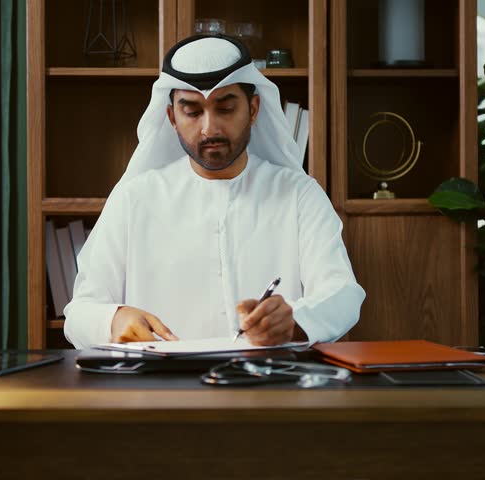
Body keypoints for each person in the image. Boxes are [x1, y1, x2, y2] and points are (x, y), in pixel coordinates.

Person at [63, 34, 365, 348]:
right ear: (172, 118)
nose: (210, 129)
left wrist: (295, 321)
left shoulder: (300, 194)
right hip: (162, 391)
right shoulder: (133, 199)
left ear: (253, 108)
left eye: (225, 108)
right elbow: (80, 314)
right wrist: (114, 318)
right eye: (193, 112)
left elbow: (343, 295)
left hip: (269, 389)